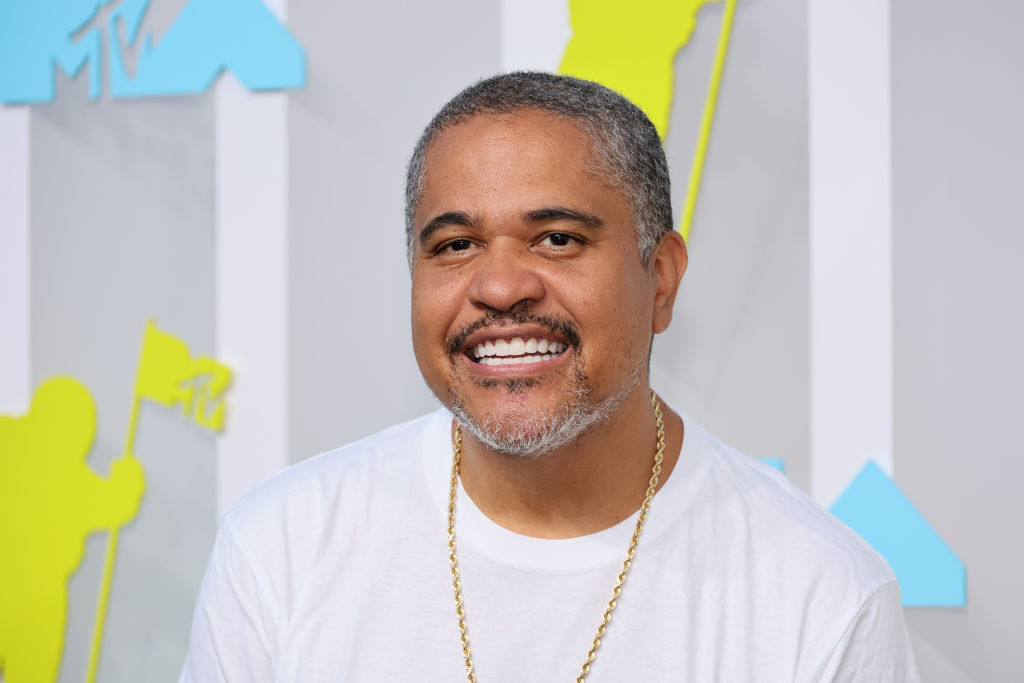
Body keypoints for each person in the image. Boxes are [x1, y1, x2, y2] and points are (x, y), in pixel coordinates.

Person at [179, 72, 919, 682]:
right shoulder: (282, 546)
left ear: (661, 279)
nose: (500, 287)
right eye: (455, 244)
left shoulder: (821, 595)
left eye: (557, 238)